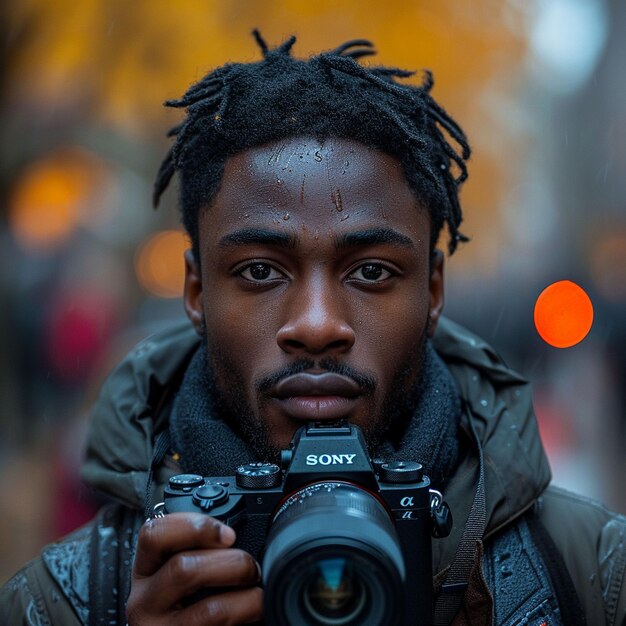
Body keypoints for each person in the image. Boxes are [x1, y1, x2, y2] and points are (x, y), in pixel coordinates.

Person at [1, 31, 625, 626]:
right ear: (196, 292)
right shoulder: (63, 602)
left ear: (433, 291)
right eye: (259, 272)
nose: (317, 325)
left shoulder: (593, 576)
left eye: (373, 271)